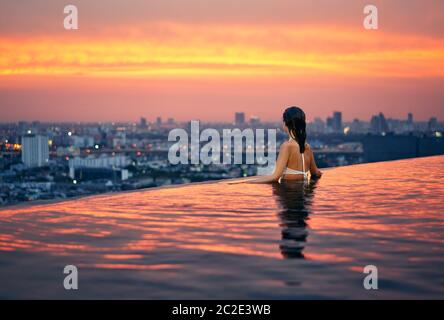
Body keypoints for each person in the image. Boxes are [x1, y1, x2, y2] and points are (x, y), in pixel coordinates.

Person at [249, 106, 322, 183]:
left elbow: (275, 177)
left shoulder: (287, 146)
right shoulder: (307, 146)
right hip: (304, 192)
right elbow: (315, 173)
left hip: (288, 192)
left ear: (285, 123)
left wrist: (250, 182)